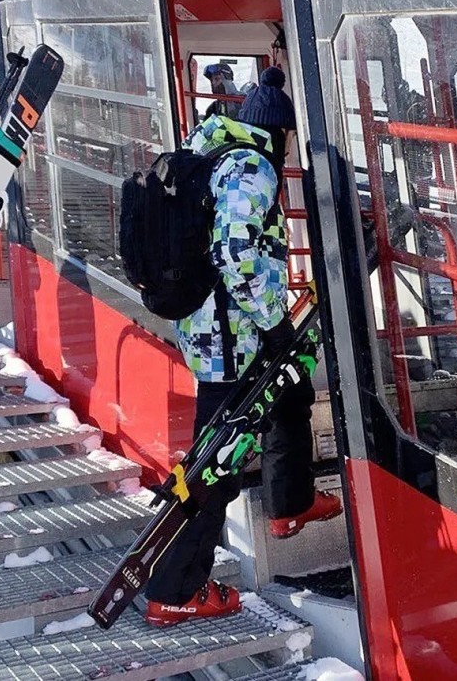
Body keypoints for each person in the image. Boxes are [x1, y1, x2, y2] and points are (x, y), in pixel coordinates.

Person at [145, 66, 342, 627]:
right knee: (217, 464)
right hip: (234, 338)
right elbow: (236, 255)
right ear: (278, 134)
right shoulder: (253, 168)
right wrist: (273, 320)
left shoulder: (210, 154)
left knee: (291, 393)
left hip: (214, 330)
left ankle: (291, 501)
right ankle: (174, 587)